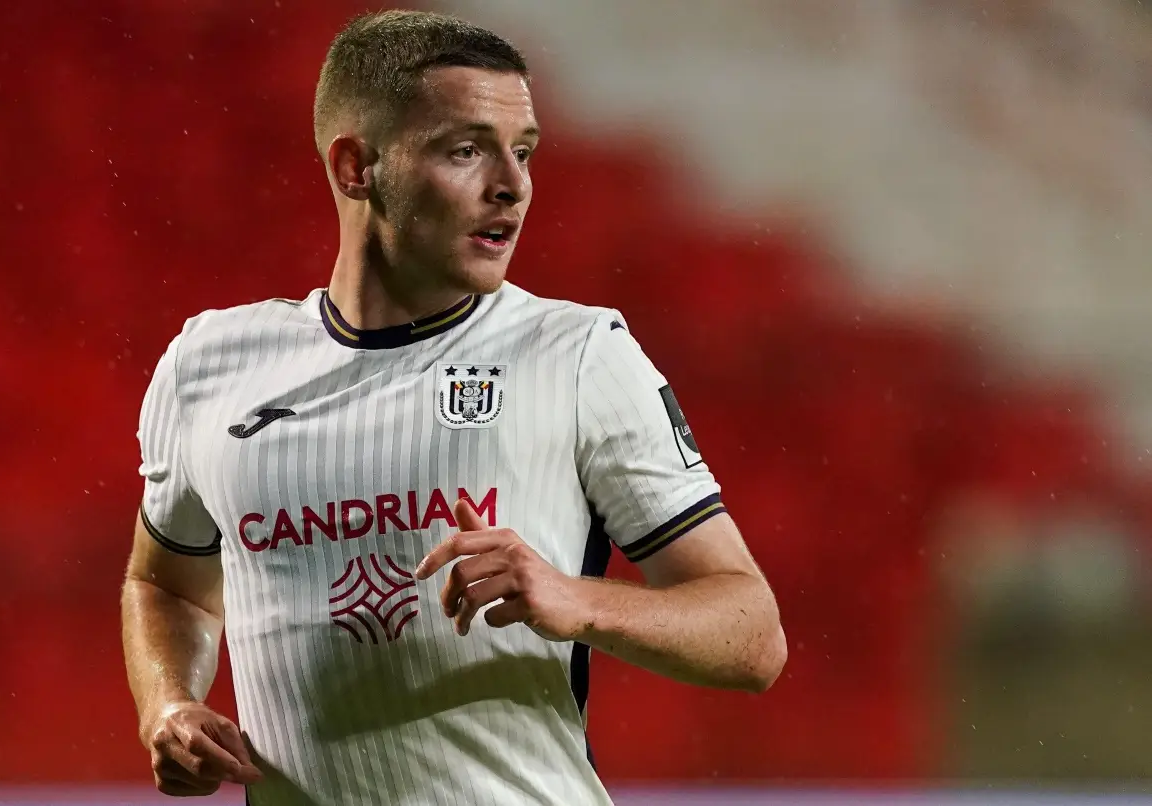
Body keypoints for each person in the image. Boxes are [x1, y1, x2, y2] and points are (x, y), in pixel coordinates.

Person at [120, 9, 786, 804]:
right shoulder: (208, 365)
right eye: (465, 150)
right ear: (355, 167)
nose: (512, 184)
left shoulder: (577, 355)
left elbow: (752, 636)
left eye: (525, 150)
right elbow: (167, 585)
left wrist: (576, 601)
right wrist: (168, 703)